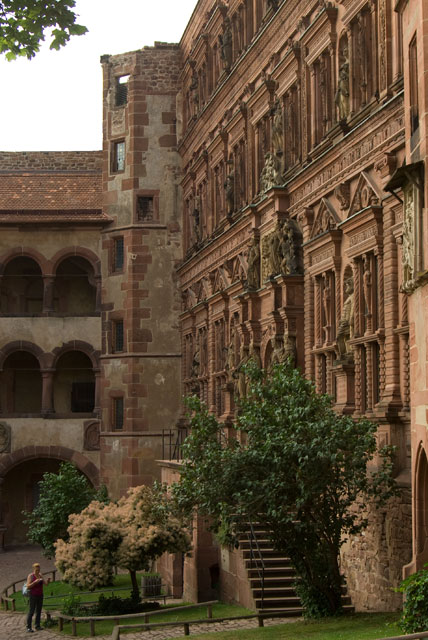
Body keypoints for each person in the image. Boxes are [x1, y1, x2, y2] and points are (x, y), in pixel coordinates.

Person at [26, 562, 50, 632]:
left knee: (39, 611)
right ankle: (29, 627)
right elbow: (28, 586)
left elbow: (46, 584)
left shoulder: (40, 575)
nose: (38, 571)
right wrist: (35, 582)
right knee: (31, 611)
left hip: (40, 595)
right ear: (33, 569)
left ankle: (37, 625)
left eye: (38, 570)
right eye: (36, 570)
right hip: (33, 595)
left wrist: (48, 581)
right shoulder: (31, 576)